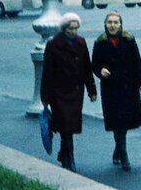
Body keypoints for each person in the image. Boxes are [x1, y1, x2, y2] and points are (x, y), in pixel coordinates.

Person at [92, 12, 141, 171]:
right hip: (110, 90)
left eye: (116, 22)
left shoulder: (129, 41)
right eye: (110, 22)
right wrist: (100, 70)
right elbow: (94, 64)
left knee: (124, 123)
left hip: (128, 88)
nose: (113, 25)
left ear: (121, 24)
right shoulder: (100, 43)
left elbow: (137, 63)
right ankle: (124, 156)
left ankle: (118, 150)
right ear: (105, 24)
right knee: (117, 122)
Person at [41, 12, 97, 172]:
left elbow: (87, 67)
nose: (73, 32)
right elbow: (47, 72)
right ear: (64, 28)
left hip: (76, 92)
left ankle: (63, 153)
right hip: (58, 92)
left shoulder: (81, 42)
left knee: (69, 126)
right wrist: (44, 97)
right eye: (70, 29)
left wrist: (91, 90)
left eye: (75, 28)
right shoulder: (53, 45)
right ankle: (69, 157)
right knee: (66, 126)